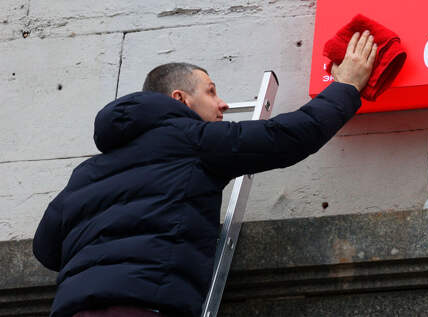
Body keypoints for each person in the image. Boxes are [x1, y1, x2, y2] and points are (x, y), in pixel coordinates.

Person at [32, 31, 378, 317]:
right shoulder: (192, 139)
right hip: (146, 306)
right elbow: (288, 137)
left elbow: (45, 249)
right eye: (211, 91)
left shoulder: (86, 173)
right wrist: (346, 86)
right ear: (180, 99)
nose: (223, 104)